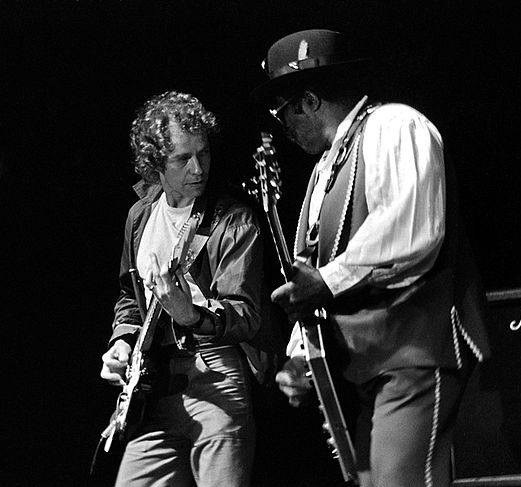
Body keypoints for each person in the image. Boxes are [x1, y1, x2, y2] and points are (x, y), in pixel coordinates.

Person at [252, 30, 491, 487]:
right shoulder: (324, 172)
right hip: (366, 370)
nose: (284, 129)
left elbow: (411, 232)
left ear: (309, 101)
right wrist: (302, 357)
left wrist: (325, 282)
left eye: (282, 115)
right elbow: (309, 275)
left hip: (414, 351)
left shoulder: (395, 127)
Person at [100, 91, 272, 487]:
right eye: (182, 158)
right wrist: (122, 341)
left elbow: (246, 316)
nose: (198, 168)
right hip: (155, 387)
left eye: (204, 153)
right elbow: (130, 295)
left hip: (216, 374)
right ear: (154, 163)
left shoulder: (233, 219)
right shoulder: (140, 215)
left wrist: (191, 313)